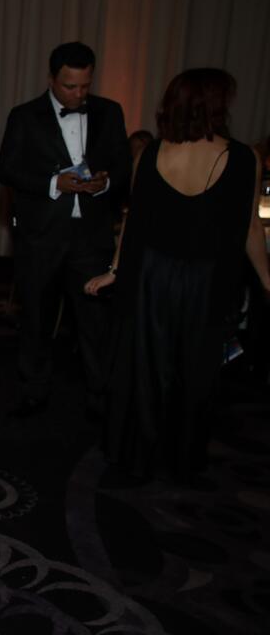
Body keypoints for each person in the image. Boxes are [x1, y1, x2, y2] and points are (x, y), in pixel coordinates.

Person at [86, 68, 270, 479]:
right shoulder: (243, 158)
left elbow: (134, 220)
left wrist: (117, 269)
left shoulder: (149, 154)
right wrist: (267, 279)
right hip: (206, 283)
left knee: (147, 369)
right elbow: (249, 228)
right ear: (216, 106)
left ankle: (136, 454)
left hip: (151, 277)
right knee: (195, 373)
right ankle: (181, 459)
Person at [0, 42, 130, 417]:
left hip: (91, 238)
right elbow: (6, 170)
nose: (78, 93)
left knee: (94, 323)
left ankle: (100, 397)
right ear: (52, 78)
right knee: (37, 317)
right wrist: (55, 183)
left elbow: (123, 167)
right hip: (41, 237)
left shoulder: (109, 112)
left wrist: (103, 183)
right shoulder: (24, 116)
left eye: (85, 86)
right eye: (70, 86)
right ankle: (34, 391)